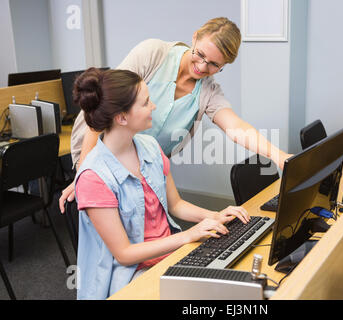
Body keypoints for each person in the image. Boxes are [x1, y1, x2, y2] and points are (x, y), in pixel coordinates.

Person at [59, 17, 291, 212]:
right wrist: (85, 173)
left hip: (144, 164)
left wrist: (279, 156)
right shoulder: (153, 53)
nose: (202, 67)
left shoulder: (208, 91)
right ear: (195, 37)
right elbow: (103, 104)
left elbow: (236, 127)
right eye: (200, 54)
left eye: (213, 65)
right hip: (99, 148)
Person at [73, 67, 249, 299]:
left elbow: (176, 205)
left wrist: (214, 216)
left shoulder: (149, 146)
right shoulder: (93, 177)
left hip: (169, 256)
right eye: (146, 103)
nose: (153, 107)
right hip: (129, 276)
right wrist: (188, 235)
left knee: (236, 283)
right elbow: (124, 254)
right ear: (122, 117)